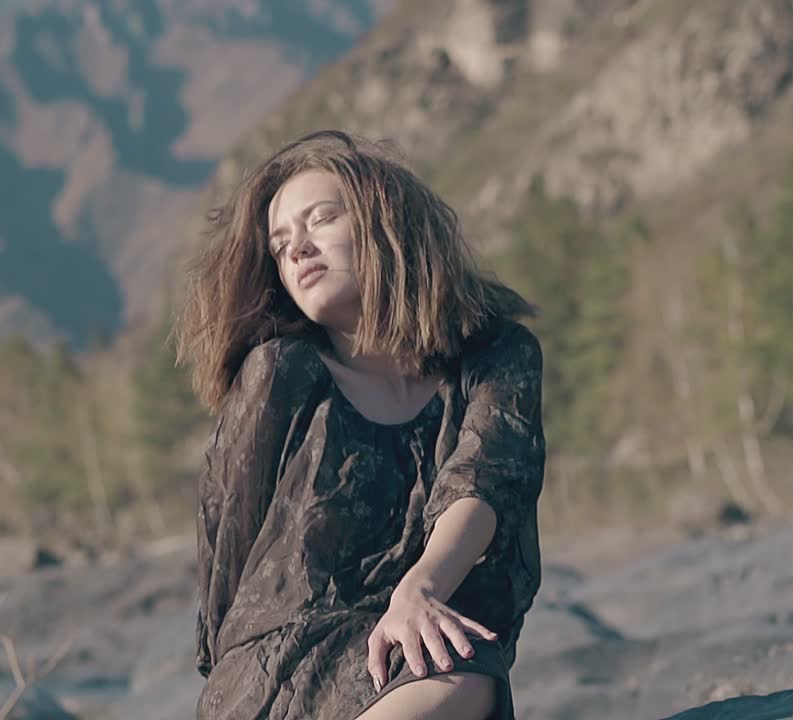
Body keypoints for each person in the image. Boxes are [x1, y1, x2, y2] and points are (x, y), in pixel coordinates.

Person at [173, 130, 546, 719]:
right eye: (279, 245)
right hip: (281, 666)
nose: (296, 250)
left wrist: (419, 588)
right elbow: (225, 568)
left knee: (456, 673)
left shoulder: (497, 356)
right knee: (452, 678)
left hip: (424, 641)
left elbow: (486, 481)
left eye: (320, 219)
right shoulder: (279, 375)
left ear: (386, 225)